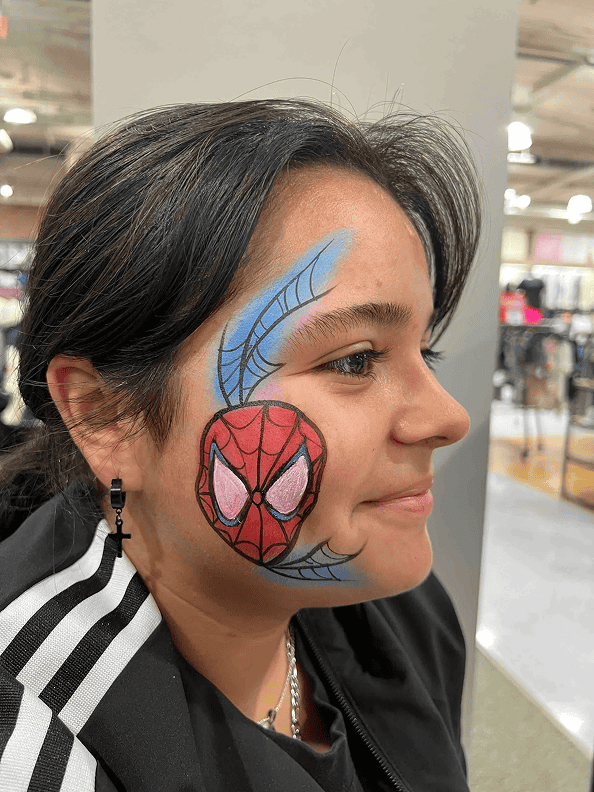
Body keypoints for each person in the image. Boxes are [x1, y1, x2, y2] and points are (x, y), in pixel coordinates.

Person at [0, 98, 481, 791]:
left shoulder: (402, 613)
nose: (448, 418)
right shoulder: (34, 749)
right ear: (106, 416)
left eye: (423, 352)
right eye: (355, 359)